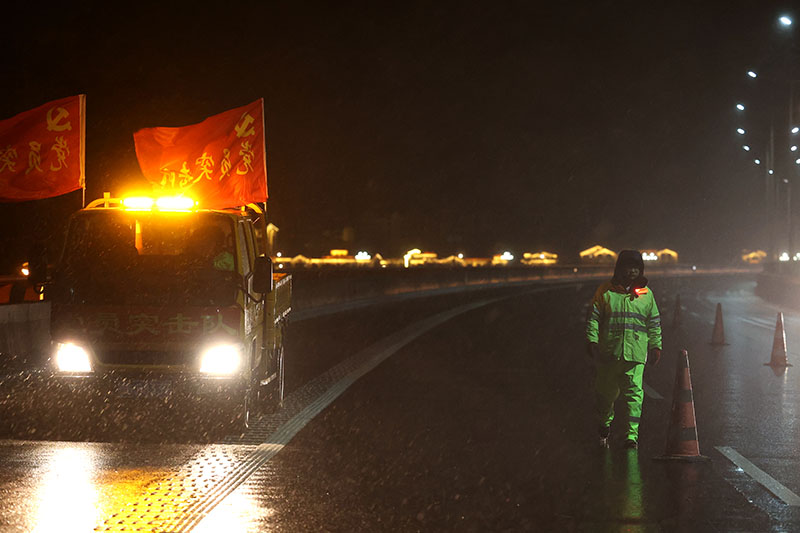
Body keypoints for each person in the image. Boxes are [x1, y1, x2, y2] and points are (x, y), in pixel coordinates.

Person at [585, 250, 662, 450]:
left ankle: (631, 436)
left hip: (635, 354)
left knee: (634, 396)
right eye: (628, 267)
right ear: (619, 269)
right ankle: (604, 426)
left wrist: (655, 346)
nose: (632, 272)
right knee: (605, 395)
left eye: (636, 268)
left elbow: (653, 323)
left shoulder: (647, 295)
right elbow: (593, 318)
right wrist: (592, 341)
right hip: (609, 353)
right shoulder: (605, 292)